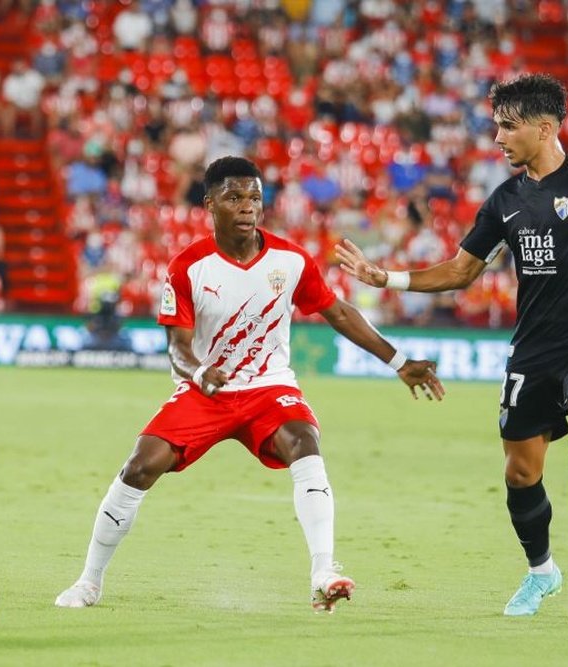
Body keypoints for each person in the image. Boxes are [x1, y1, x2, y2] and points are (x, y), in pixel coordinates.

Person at [335, 74, 568, 625]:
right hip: (532, 348)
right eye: (496, 126)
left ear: (545, 128)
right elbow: (461, 270)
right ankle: (542, 572)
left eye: (508, 127)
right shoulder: (506, 199)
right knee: (519, 474)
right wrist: (384, 276)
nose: (497, 138)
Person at [56, 156, 445, 613]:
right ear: (210, 205)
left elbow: (337, 312)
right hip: (207, 390)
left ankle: (324, 570)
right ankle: (89, 581)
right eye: (234, 197)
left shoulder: (290, 259)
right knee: (140, 467)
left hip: (268, 387)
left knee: (304, 440)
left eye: (255, 198)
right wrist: (201, 373)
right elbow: (177, 348)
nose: (247, 207)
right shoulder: (187, 267)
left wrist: (398, 361)